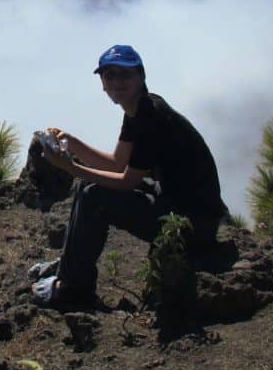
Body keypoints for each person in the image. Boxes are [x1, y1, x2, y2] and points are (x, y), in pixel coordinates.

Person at [31, 44, 228, 306]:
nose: (116, 82)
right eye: (109, 75)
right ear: (101, 83)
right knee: (88, 188)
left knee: (94, 196)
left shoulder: (151, 118)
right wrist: (73, 143)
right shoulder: (139, 108)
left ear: (141, 77)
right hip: (183, 210)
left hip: (192, 227)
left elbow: (127, 181)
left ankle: (72, 288)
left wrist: (70, 167)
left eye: (124, 75)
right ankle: (70, 265)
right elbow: (116, 163)